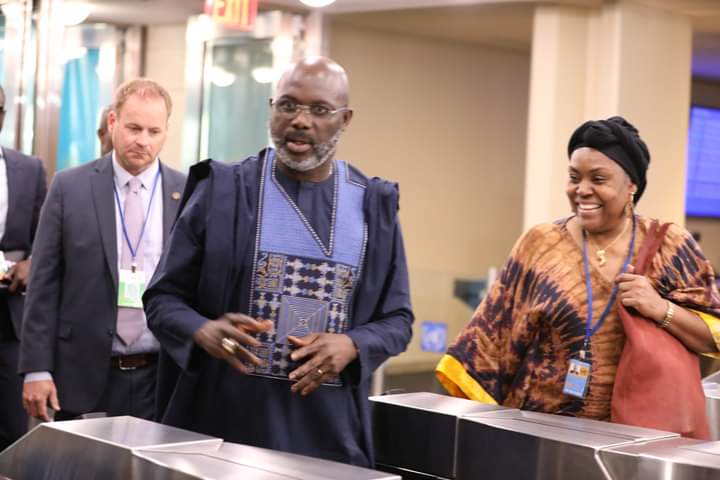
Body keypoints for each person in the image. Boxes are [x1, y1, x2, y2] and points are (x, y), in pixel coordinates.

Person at [143, 56, 413, 467]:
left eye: (319, 110)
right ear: (271, 109)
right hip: (222, 435)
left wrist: (352, 344)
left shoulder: (373, 206)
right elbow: (162, 299)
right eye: (287, 105)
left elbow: (397, 320)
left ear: (345, 120)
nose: (300, 120)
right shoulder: (224, 192)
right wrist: (202, 330)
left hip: (328, 440)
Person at [436, 116, 720, 421]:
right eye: (574, 178)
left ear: (632, 185)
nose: (582, 190)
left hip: (635, 437)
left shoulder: (670, 245)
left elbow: (713, 334)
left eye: (598, 179)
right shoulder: (540, 243)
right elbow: (489, 339)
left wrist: (660, 308)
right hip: (539, 430)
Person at [19, 79, 186, 422]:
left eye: (154, 131)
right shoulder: (70, 186)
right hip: (80, 372)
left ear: (166, 131)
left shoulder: (186, 193)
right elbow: (43, 284)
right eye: (134, 128)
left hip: (159, 376)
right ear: (112, 122)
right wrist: (36, 368)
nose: (143, 140)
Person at [0, 85, 47, 450]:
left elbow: (45, 242)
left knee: (10, 431)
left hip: (10, 317)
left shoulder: (29, 169)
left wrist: (32, 263)